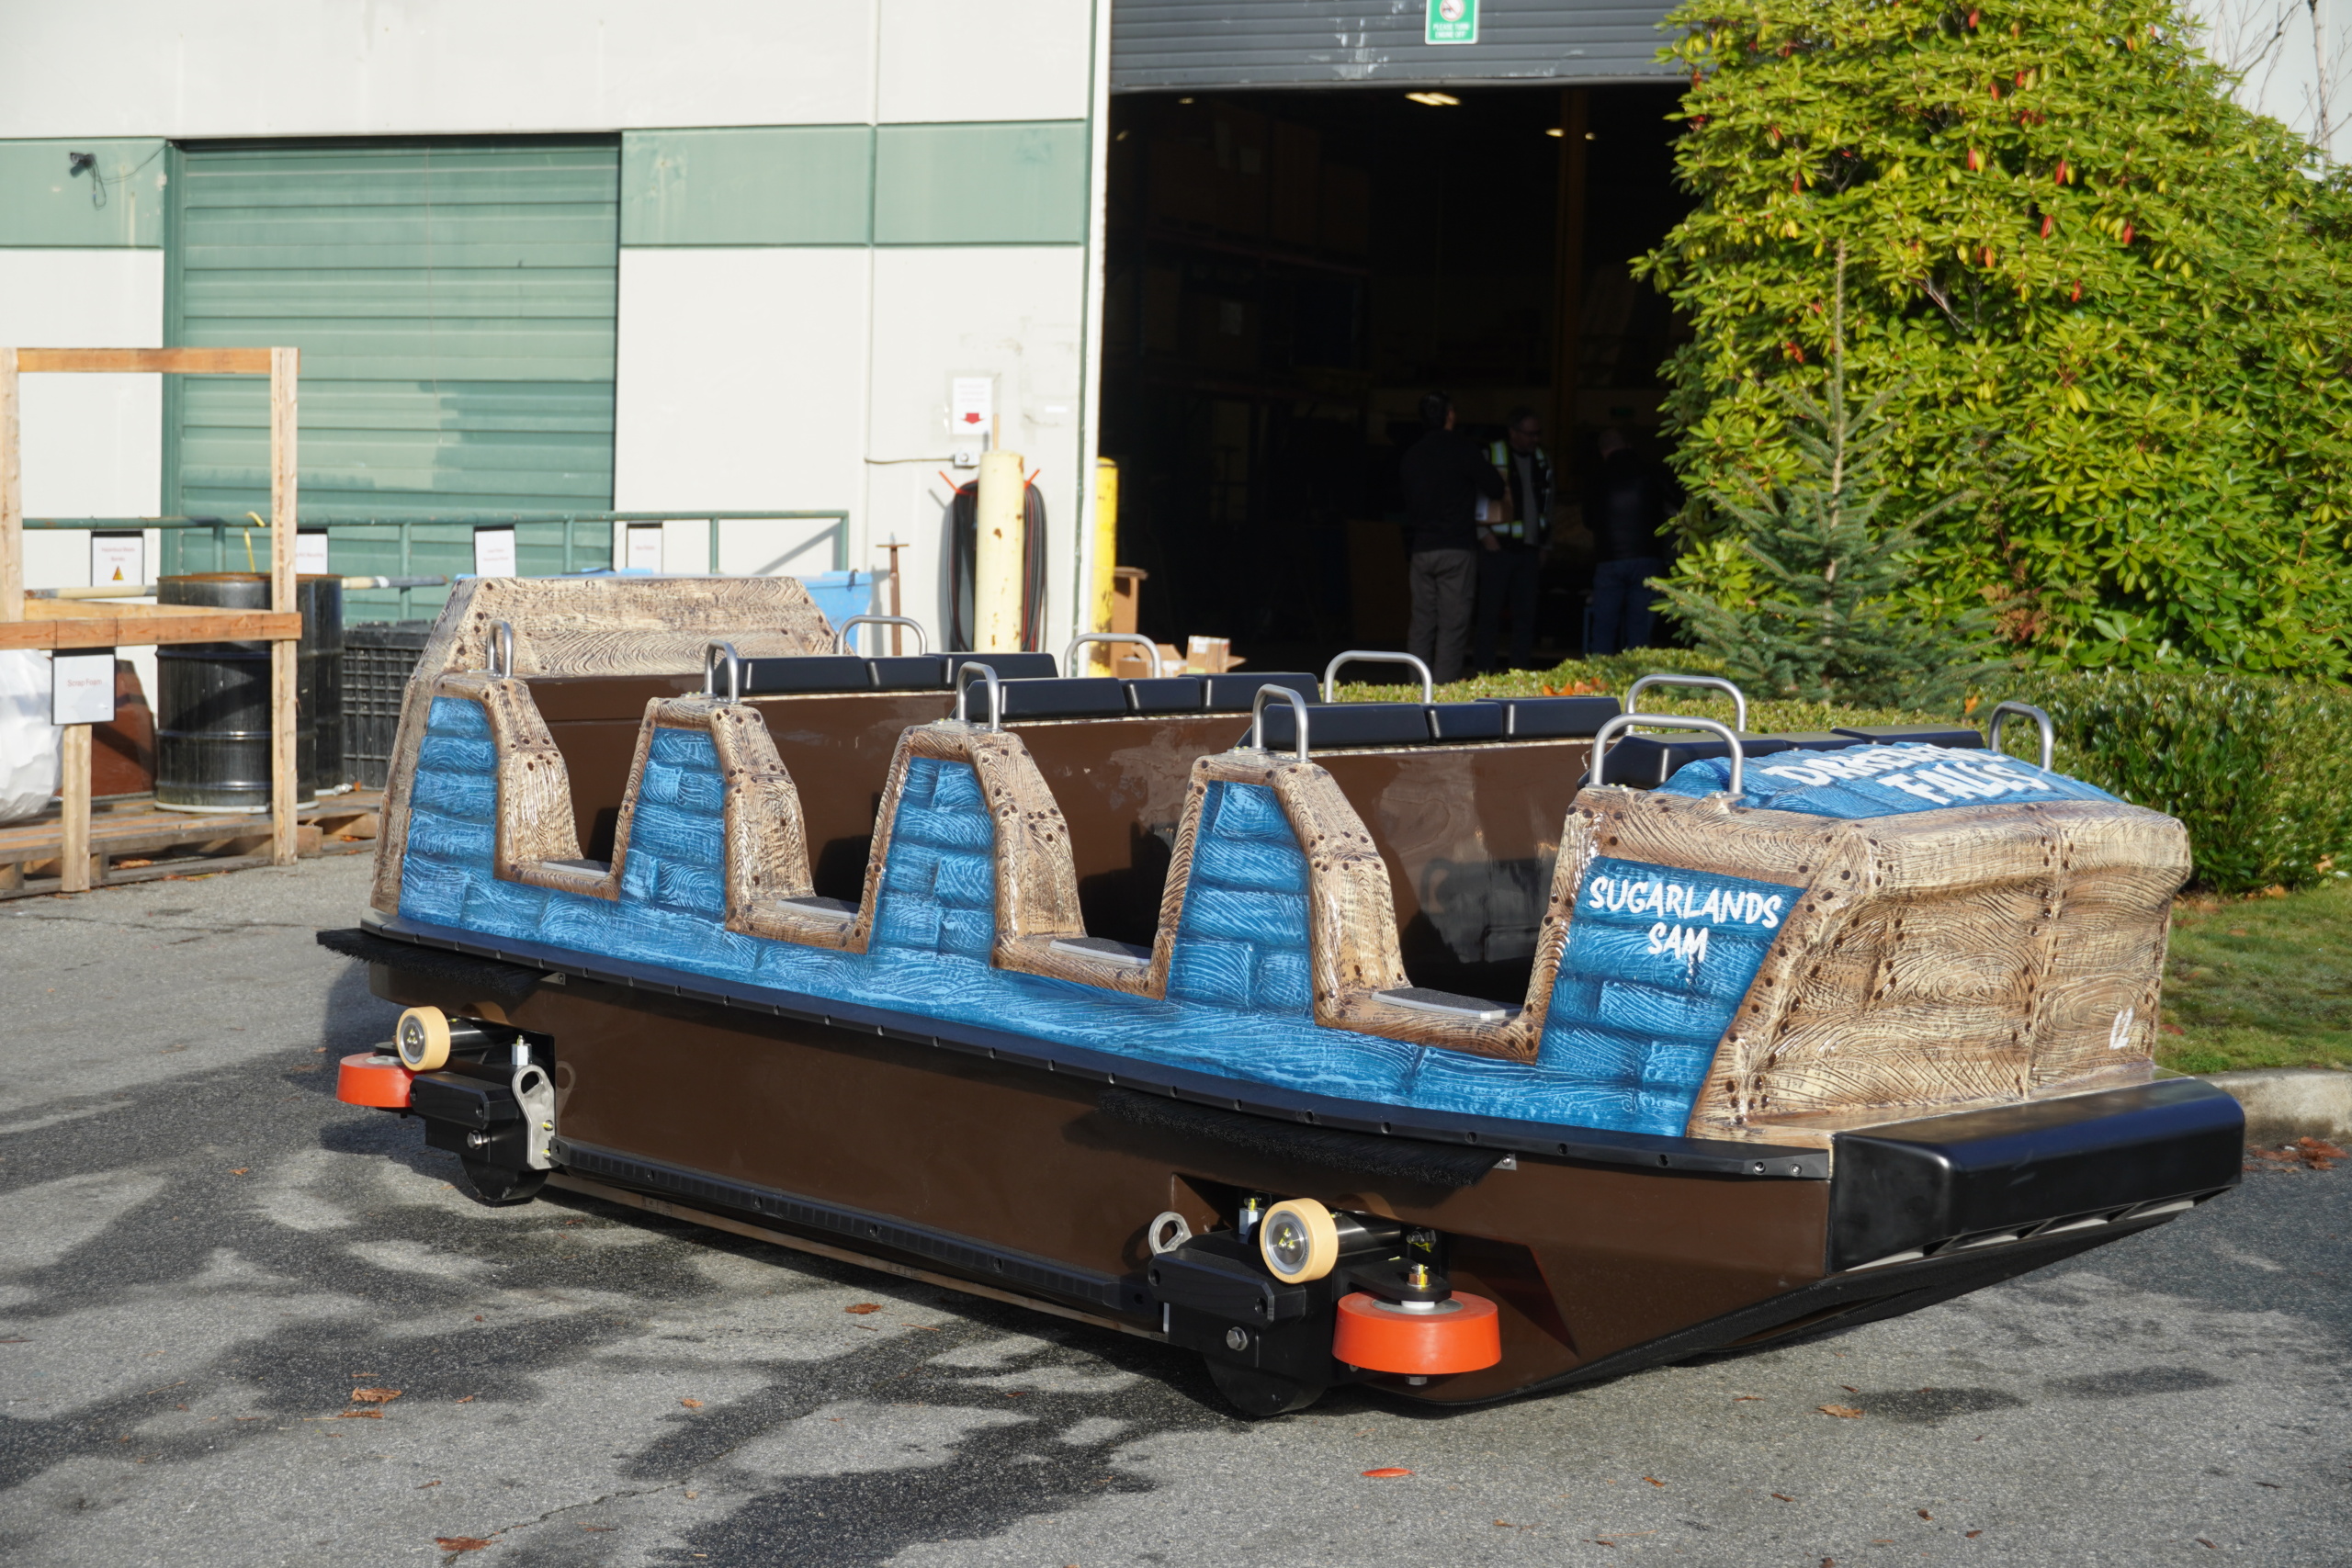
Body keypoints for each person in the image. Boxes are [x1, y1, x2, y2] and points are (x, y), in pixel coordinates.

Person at [1399, 390, 1503, 684]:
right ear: (1449, 415)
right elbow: (1495, 488)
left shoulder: (1412, 455)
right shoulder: (1463, 450)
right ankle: (1441, 696)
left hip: (1421, 550)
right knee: (1452, 626)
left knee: (1421, 625)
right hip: (1456, 548)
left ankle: (1414, 690)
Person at [1474, 406, 1553, 672]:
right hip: (1497, 549)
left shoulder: (1541, 459)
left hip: (1529, 551)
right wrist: (1483, 535)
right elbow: (1474, 497)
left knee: (1525, 617)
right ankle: (1484, 671)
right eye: (1529, 434)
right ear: (1513, 432)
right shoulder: (1492, 455)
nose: (1535, 439)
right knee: (1489, 615)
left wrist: (1545, 544)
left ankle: (1519, 671)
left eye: (1537, 433)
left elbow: (1548, 504)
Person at [1583, 426, 1668, 656]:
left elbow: (1588, 521)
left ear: (1603, 451)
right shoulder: (1650, 471)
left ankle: (1598, 683)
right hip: (1647, 559)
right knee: (1640, 633)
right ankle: (1637, 684)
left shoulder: (1597, 478)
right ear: (1629, 446)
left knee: (1603, 630)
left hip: (1609, 560)